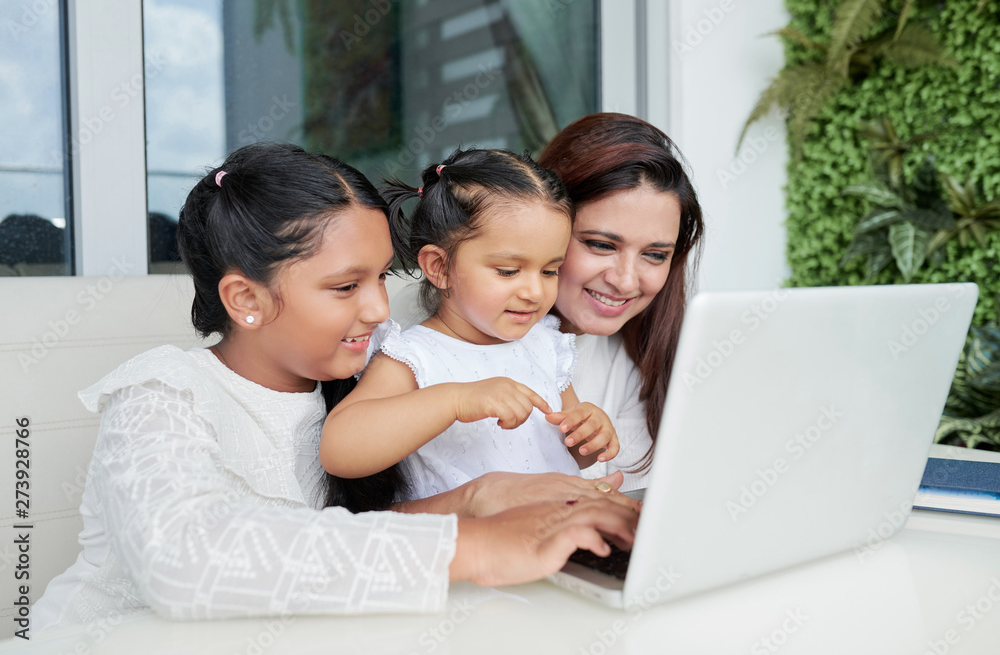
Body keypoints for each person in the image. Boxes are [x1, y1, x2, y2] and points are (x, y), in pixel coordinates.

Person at [30, 143, 638, 632]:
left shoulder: (354, 385)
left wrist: (474, 499)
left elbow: (347, 537)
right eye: (346, 287)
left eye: (379, 278)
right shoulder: (162, 395)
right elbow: (185, 559)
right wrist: (472, 542)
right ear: (246, 298)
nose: (379, 309)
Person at [320, 148, 620, 501]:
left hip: (558, 530)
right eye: (508, 271)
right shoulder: (414, 357)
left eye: (550, 270)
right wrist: (456, 400)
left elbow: (568, 453)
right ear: (439, 267)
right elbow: (340, 450)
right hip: (476, 546)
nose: (535, 291)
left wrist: (588, 435)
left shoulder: (545, 344)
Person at [535, 113, 705, 492]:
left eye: (655, 254)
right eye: (600, 245)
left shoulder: (641, 361)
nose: (626, 281)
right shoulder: (418, 336)